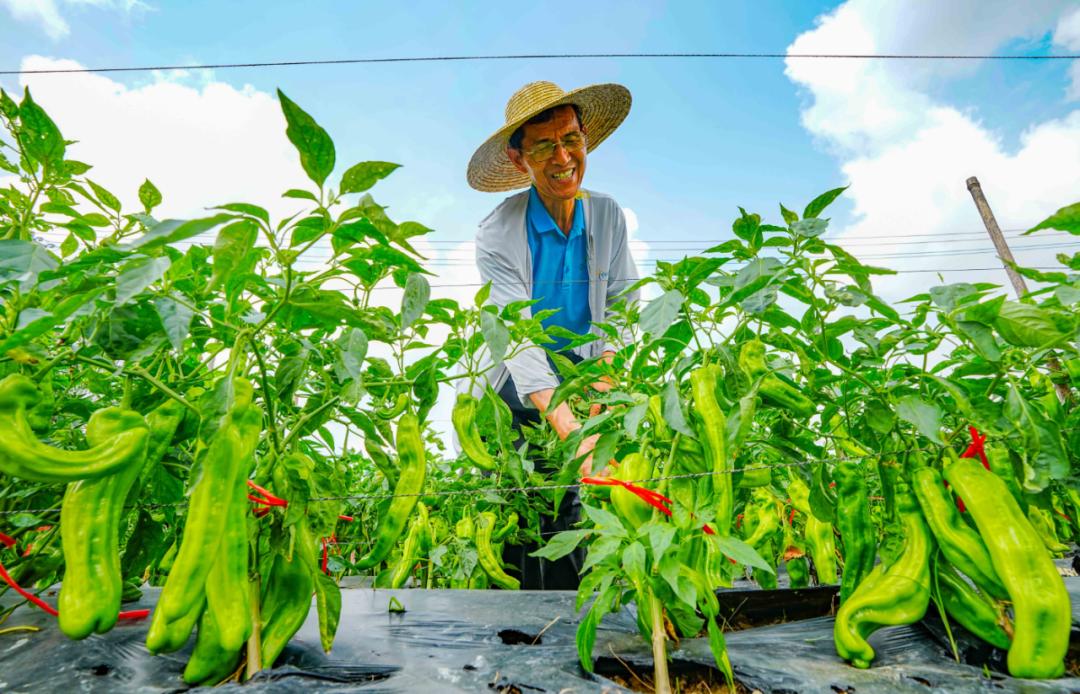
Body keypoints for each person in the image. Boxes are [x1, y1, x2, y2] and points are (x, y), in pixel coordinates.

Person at [461, 80, 640, 589]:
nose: (563, 156)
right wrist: (576, 435)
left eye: (571, 140)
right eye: (543, 146)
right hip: (518, 394)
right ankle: (524, 639)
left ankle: (579, 625)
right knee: (526, 508)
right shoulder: (497, 233)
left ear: (586, 141)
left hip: (585, 381)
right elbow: (517, 341)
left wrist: (601, 403)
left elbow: (623, 309)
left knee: (585, 510)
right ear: (520, 161)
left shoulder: (606, 215)